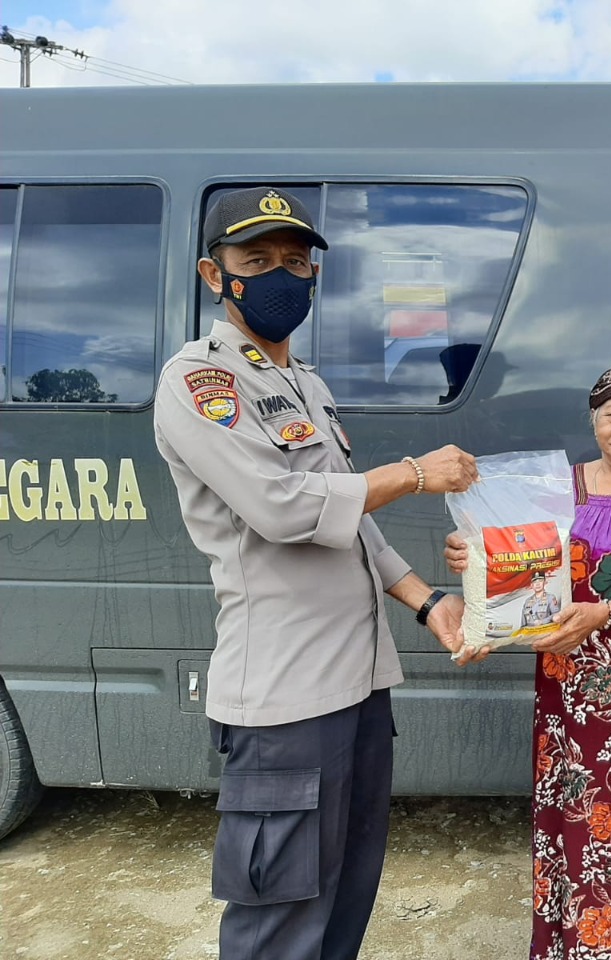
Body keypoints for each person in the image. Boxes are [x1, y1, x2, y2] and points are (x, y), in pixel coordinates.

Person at [153, 186, 480, 960]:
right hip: (286, 700)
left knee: (344, 901)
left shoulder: (307, 383)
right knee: (281, 920)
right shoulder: (199, 381)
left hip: (359, 689)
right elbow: (282, 507)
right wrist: (413, 473)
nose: (281, 275)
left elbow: (349, 521)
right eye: (258, 260)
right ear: (214, 275)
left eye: (296, 262)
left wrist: (427, 600)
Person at [445, 365, 611, 960]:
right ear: (593, 420)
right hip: (566, 689)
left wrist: (605, 613)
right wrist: (471, 553)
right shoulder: (557, 486)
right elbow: (512, 556)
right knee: (570, 818)